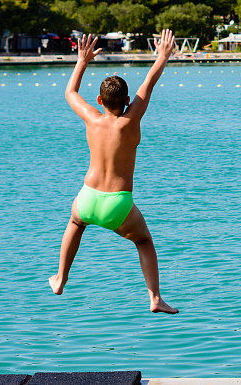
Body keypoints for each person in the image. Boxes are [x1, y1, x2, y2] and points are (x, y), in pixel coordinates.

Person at [48, 31, 179, 314]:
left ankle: (60, 279)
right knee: (143, 241)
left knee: (75, 224)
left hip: (87, 197)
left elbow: (70, 93)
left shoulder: (91, 118)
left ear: (99, 99)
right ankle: (155, 298)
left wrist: (82, 60)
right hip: (118, 203)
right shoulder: (130, 121)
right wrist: (163, 56)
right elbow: (148, 83)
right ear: (127, 100)